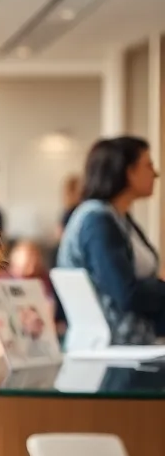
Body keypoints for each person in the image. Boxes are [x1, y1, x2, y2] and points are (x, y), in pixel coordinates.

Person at [57, 136, 164, 344]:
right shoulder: (97, 221)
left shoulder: (118, 217)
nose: (156, 174)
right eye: (148, 165)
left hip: (135, 343)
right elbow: (126, 293)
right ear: (128, 171)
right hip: (110, 349)